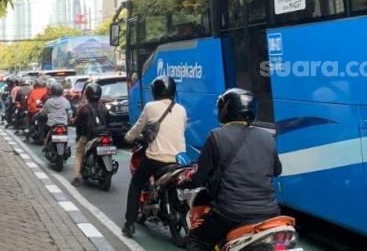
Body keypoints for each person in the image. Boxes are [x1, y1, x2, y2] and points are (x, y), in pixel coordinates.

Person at [184, 88, 281, 251]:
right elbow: (276, 171)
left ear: (226, 110)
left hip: (230, 212)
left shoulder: (216, 136)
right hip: (270, 212)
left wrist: (187, 181)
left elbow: (199, 178)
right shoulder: (267, 137)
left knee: (197, 239)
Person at [121, 75, 187, 236]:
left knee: (136, 183)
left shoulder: (150, 107)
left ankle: (129, 223)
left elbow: (138, 127)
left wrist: (128, 137)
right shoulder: (181, 109)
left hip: (156, 159)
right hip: (179, 160)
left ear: (155, 91)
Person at [72, 83, 110, 187]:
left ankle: (76, 178)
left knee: (79, 153)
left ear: (87, 94)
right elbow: (108, 121)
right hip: (103, 135)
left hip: (88, 137)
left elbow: (76, 123)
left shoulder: (84, 109)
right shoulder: (104, 107)